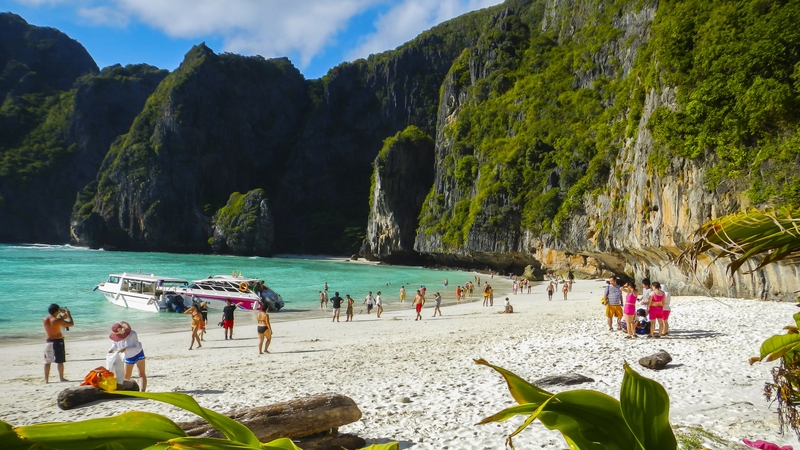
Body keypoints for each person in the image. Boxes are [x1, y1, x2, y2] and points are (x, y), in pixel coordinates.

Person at [108, 321, 147, 391]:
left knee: (141, 373)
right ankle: (127, 390)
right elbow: (115, 345)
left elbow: (137, 347)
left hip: (138, 354)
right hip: (128, 357)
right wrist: (111, 350)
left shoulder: (132, 334)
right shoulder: (115, 338)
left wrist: (126, 349)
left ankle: (143, 391)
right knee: (127, 376)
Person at [43, 303, 74, 383]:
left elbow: (57, 320)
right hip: (58, 341)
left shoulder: (44, 319)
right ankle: (61, 378)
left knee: (47, 361)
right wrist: (69, 314)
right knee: (60, 361)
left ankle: (46, 379)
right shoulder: (57, 320)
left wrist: (61, 315)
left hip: (48, 341)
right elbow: (71, 324)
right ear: (57, 311)